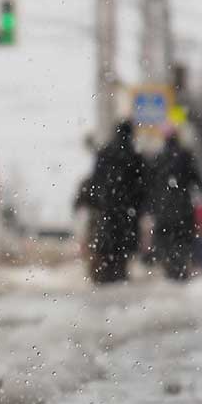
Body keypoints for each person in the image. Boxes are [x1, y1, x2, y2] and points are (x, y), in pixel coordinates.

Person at [84, 120, 148, 284]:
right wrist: (140, 207)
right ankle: (119, 274)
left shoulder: (105, 153)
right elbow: (142, 186)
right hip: (127, 210)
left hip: (107, 208)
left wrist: (96, 202)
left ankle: (105, 275)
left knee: (107, 245)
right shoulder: (135, 155)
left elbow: (95, 181)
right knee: (123, 249)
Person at [150, 129, 202, 281]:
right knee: (183, 241)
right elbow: (197, 180)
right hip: (183, 208)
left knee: (167, 241)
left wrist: (151, 207)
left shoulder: (158, 159)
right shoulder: (185, 157)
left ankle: (170, 267)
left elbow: (150, 186)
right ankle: (180, 268)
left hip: (164, 210)